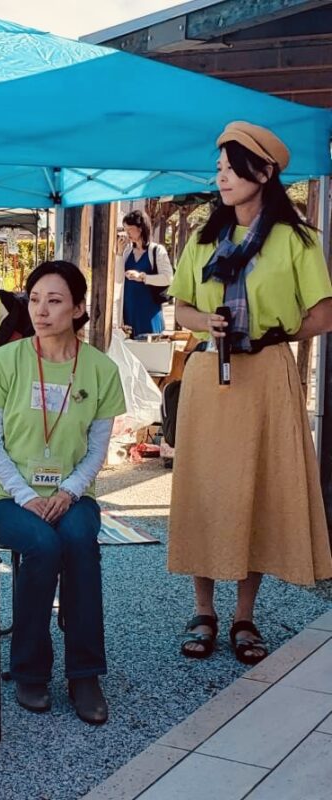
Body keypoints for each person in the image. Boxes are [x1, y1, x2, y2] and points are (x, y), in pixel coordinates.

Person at [168, 121, 332, 665]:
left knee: (253, 489)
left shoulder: (297, 240)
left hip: (264, 375)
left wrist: (272, 333)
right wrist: (205, 323)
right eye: (218, 169)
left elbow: (324, 313)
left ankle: (244, 615)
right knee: (205, 487)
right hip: (208, 375)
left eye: (231, 169)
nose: (221, 178)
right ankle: (203, 610)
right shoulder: (202, 238)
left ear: (263, 173)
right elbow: (181, 308)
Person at [0, 261, 125, 722]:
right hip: (10, 494)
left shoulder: (100, 369)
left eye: (54, 301)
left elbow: (98, 449)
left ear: (78, 309)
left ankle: (85, 674)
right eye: (35, 299)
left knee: (78, 540)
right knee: (42, 545)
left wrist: (69, 492)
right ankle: (30, 670)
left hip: (74, 493)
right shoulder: (5, 360)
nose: (41, 310)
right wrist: (26, 496)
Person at [114, 209, 173, 337]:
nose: (126, 233)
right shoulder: (127, 251)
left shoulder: (157, 250)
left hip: (149, 311)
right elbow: (118, 279)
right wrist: (119, 253)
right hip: (129, 311)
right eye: (125, 229)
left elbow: (168, 278)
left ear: (140, 228)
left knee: (149, 345)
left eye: (129, 229)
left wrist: (142, 277)